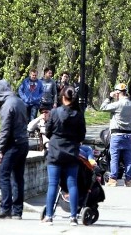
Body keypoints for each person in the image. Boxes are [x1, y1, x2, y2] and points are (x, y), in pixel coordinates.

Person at [42, 86, 86, 225]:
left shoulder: (54, 112)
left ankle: (49, 216)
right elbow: (81, 135)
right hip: (71, 152)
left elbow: (48, 131)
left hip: (55, 151)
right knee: (72, 184)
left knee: (53, 184)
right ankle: (73, 217)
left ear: (62, 97)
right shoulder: (78, 115)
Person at [0, 79, 29, 219]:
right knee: (18, 178)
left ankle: (5, 207)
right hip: (23, 143)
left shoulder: (7, 105)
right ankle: (17, 211)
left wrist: (0, 150)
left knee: (3, 175)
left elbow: (5, 130)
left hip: (13, 144)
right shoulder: (19, 101)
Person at [100, 83, 131, 186]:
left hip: (117, 135)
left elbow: (102, 107)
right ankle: (129, 180)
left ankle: (113, 179)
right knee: (128, 159)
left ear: (117, 93)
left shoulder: (117, 104)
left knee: (114, 158)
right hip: (128, 135)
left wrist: (109, 97)